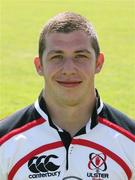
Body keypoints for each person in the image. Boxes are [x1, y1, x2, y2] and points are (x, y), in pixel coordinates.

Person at [0, 12, 135, 180]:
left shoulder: (130, 140)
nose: (69, 69)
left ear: (98, 63)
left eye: (80, 56)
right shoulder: (5, 141)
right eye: (57, 57)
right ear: (39, 65)